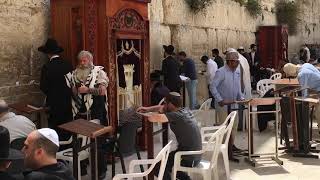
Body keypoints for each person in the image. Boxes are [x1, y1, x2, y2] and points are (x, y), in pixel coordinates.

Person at [137, 92, 202, 180]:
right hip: (195, 154)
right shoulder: (185, 110)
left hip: (189, 157)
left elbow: (153, 118)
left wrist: (157, 112)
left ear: (170, 104)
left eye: (165, 103)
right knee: (169, 165)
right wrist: (147, 109)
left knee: (158, 168)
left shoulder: (175, 115)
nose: (163, 105)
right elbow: (162, 108)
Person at [65, 50, 109, 178]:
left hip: (96, 112)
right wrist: (74, 90)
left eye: (85, 61)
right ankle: (82, 169)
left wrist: (87, 90)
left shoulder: (99, 72)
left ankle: (101, 171)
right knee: (79, 142)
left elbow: (101, 91)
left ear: (90, 61)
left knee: (98, 143)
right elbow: (72, 91)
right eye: (80, 61)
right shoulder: (74, 74)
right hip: (80, 112)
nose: (82, 63)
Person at [38, 38, 73, 141]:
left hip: (54, 104)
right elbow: (72, 82)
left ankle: (57, 151)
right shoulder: (68, 64)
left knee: (55, 129)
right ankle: (68, 148)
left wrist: (53, 92)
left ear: (48, 54)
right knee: (67, 127)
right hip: (67, 103)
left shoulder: (47, 67)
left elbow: (43, 87)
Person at [210, 51, 244, 153]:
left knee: (234, 126)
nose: (237, 64)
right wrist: (219, 99)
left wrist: (241, 98)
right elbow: (212, 86)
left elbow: (238, 87)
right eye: (235, 62)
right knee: (224, 127)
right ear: (229, 62)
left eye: (238, 62)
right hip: (223, 105)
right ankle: (225, 148)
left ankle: (231, 145)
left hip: (233, 104)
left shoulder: (237, 72)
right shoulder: (221, 72)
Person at [283, 63, 320, 133]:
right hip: (317, 90)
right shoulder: (306, 64)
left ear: (291, 72)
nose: (290, 76)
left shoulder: (301, 75)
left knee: (302, 106)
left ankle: (300, 128)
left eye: (288, 74)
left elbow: (304, 95)